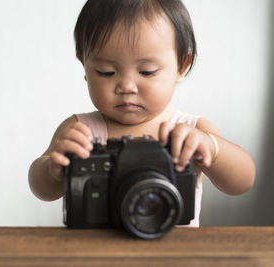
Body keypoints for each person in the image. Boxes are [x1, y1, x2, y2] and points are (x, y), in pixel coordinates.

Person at [28, 0, 255, 226]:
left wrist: (211, 148)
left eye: (147, 72)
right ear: (84, 66)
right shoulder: (80, 130)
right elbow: (41, 190)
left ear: (182, 65)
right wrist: (52, 170)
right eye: (106, 72)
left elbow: (243, 182)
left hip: (175, 254)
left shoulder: (191, 130)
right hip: (97, 253)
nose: (126, 86)